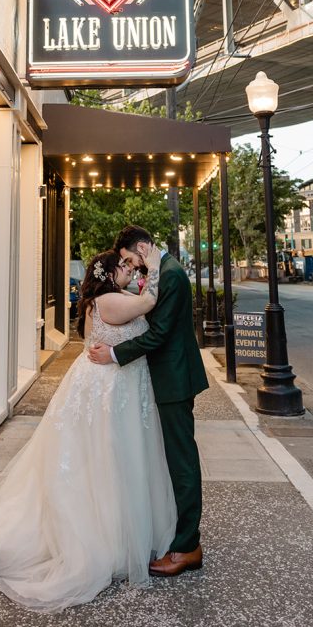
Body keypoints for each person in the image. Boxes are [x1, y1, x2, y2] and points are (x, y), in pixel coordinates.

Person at [0, 248, 176, 611]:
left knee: (114, 460)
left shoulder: (116, 296)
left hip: (116, 387)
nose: (129, 269)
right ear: (108, 275)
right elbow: (150, 302)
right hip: (106, 389)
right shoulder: (108, 300)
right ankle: (103, 539)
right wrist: (154, 266)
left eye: (129, 264)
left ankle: (124, 533)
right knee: (103, 461)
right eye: (123, 266)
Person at [89, 225, 209, 577]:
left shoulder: (170, 276)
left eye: (129, 258)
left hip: (174, 379)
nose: (130, 266)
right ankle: (179, 537)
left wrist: (113, 353)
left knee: (182, 461)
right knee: (172, 460)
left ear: (143, 247)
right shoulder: (162, 271)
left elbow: (158, 335)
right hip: (165, 377)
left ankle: (188, 547)